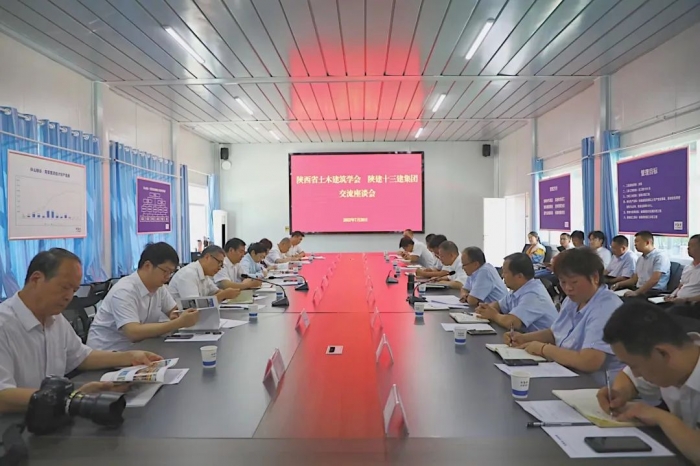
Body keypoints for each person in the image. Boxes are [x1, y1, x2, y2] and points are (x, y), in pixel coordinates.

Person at [0, 249, 163, 413]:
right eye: (64, 287)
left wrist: (130, 357)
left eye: (74, 290)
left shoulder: (55, 319)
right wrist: (71, 398)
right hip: (14, 421)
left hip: (51, 416)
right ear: (36, 279)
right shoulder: (5, 325)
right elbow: (3, 396)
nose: (69, 297)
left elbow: (81, 356)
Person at [597, 302, 700, 464]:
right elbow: (629, 378)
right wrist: (619, 393)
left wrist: (661, 417)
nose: (636, 374)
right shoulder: (672, 362)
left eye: (634, 366)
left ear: (662, 353)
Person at [505, 248, 624, 383]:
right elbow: (555, 332)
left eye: (574, 282)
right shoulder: (572, 300)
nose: (568, 288)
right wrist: (523, 338)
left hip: (599, 386)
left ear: (595, 277)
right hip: (569, 374)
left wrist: (544, 349)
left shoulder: (606, 307)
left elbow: (589, 361)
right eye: (563, 282)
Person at [87, 243, 202, 351]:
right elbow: (133, 333)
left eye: (171, 272)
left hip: (139, 349)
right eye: (165, 271)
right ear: (147, 266)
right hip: (109, 353)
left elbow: (174, 310)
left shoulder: (159, 288)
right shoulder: (124, 291)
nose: (168, 277)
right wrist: (177, 323)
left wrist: (177, 315)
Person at [476, 253, 558, 332]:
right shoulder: (518, 289)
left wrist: (494, 315)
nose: (502, 275)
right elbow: (498, 305)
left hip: (540, 340)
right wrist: (485, 309)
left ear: (519, 276)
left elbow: (511, 323)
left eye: (505, 272)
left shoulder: (534, 295)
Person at [168, 245, 241, 301]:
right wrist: (223, 295)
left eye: (222, 265)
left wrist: (228, 293)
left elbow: (216, 292)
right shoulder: (188, 274)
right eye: (219, 263)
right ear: (207, 257)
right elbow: (194, 305)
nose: (220, 268)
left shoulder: (205, 275)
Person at [612, 231, 670, 298]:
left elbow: (654, 280)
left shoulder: (660, 257)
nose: (635, 244)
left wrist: (636, 293)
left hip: (654, 291)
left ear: (647, 243)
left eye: (637, 241)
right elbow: (634, 279)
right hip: (639, 289)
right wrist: (618, 284)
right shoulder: (640, 259)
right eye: (634, 242)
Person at [665, 235, 700, 305]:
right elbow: (680, 286)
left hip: (693, 304)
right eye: (688, 245)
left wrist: (686, 300)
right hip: (677, 301)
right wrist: (672, 295)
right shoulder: (688, 267)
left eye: (692, 246)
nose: (688, 248)